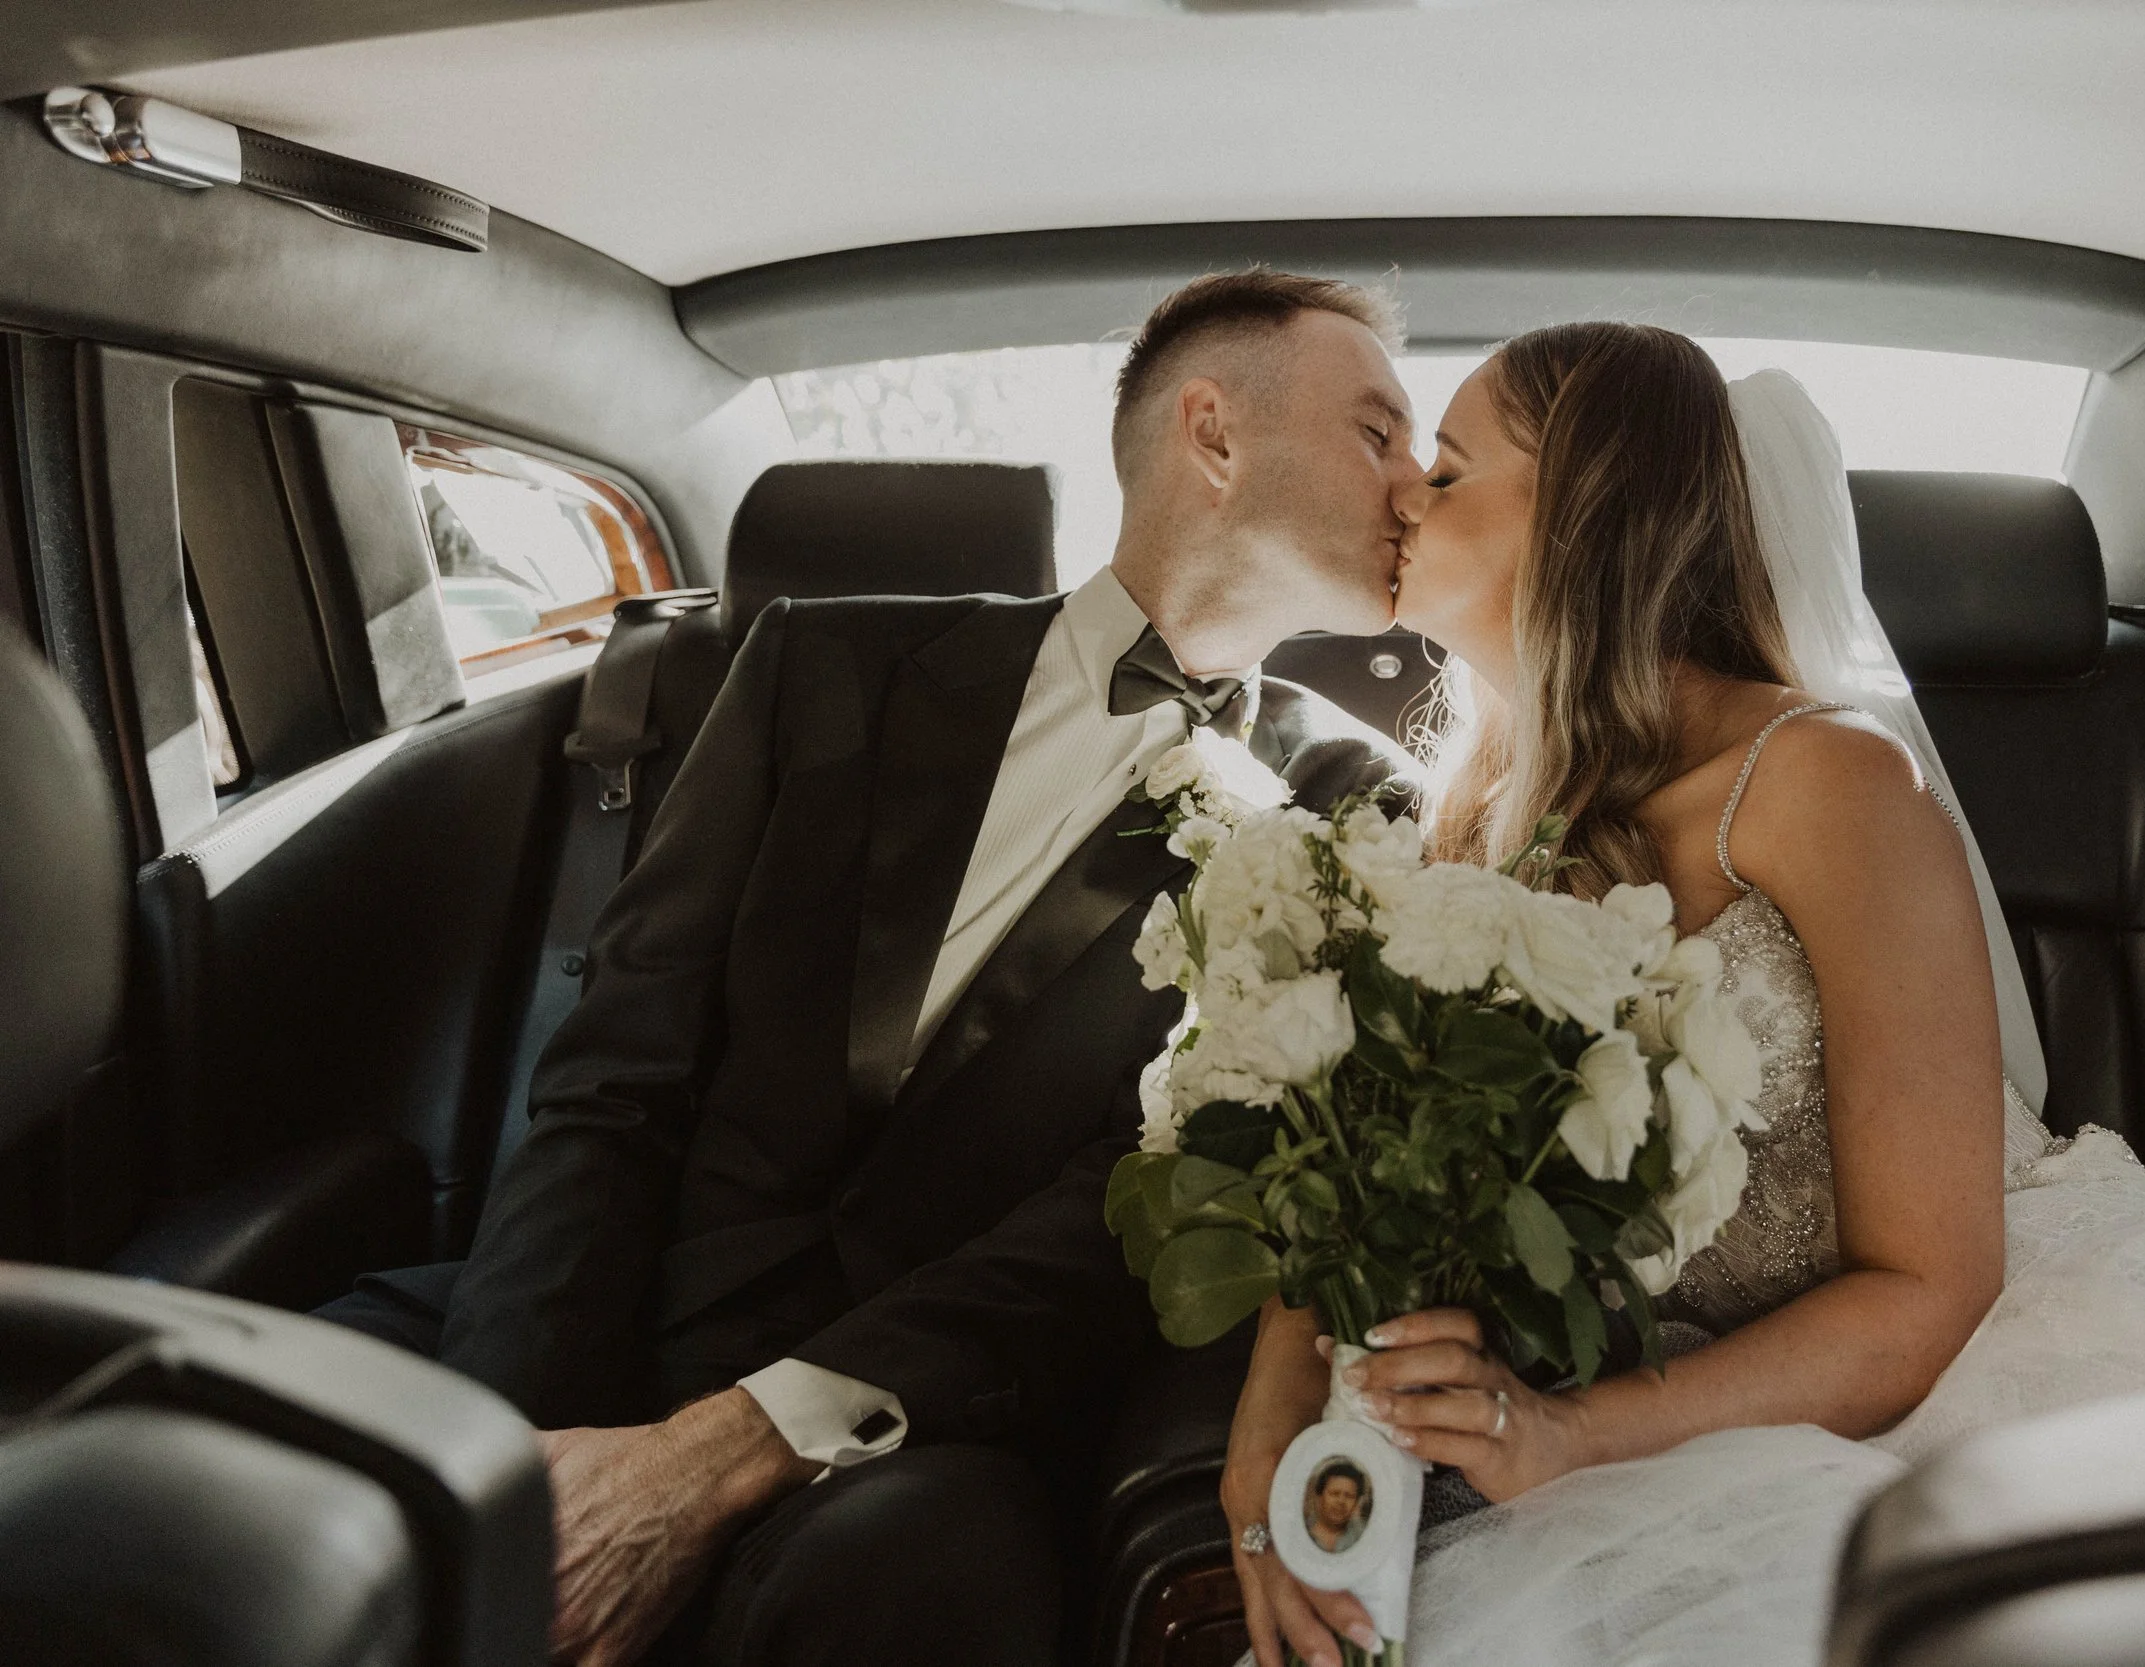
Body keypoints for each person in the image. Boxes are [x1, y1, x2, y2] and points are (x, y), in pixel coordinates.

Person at [1218, 324, 2145, 1667]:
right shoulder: (1459, 830)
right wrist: (1273, 1420)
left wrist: (1564, 1435)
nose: (1400, 495)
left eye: (1445, 471)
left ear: (1583, 513)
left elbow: (1930, 1282)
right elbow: (1361, 1178)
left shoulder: (1822, 783)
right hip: (1641, 1391)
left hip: (1955, 1375)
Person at [319, 268, 1423, 1667]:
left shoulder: (1353, 821)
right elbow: (617, 1070)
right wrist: (515, 1451)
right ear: (1214, 433)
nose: (1418, 486)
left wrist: (732, 1443)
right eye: (1379, 432)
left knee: (920, 1586)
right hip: (600, 1295)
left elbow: (1126, 1220)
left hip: (925, 1415)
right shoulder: (819, 661)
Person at [1306, 1463, 1370, 1554]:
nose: (1341, 1501)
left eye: (1349, 1496)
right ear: (1319, 1497)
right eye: (1334, 1493)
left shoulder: (1365, 1536)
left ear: (1357, 1502)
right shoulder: (1300, 1531)